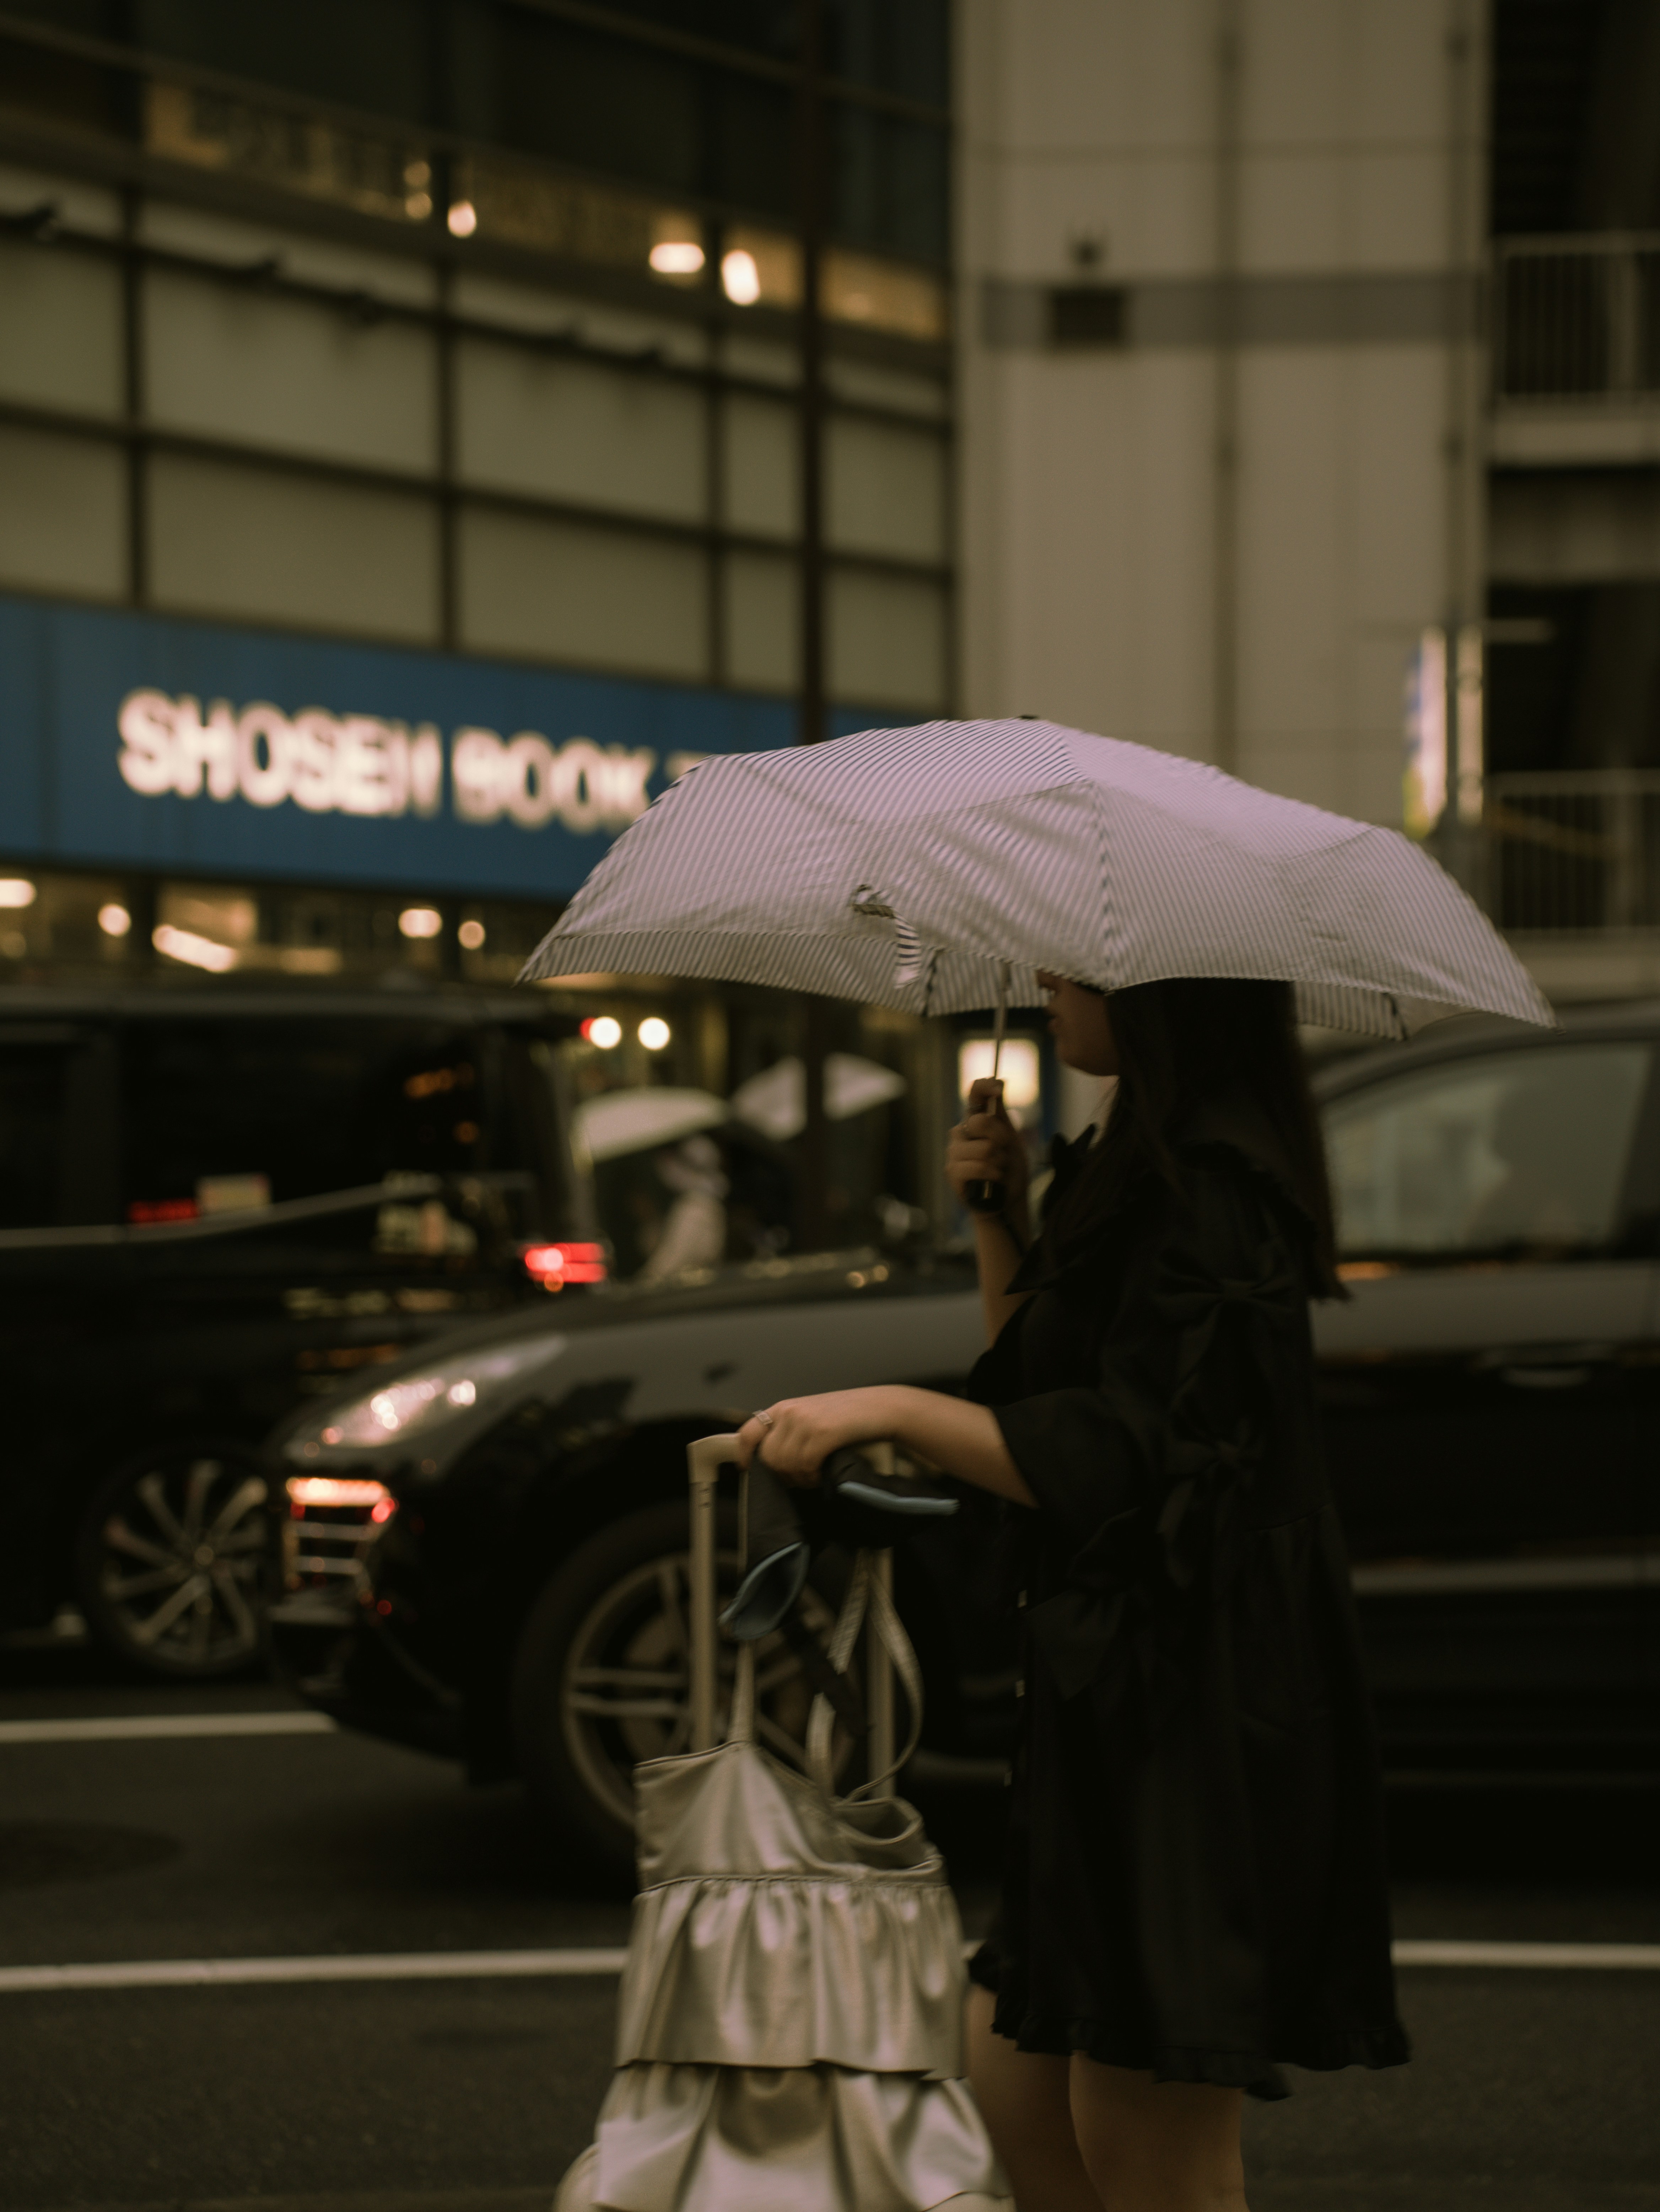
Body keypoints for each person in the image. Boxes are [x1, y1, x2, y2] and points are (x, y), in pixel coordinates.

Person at [734, 971, 1407, 2212]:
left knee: (1144, 2131)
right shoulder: (1130, 1154)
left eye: (1076, 966)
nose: (1046, 983)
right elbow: (1043, 1389)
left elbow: (1121, 1457)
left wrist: (885, 1408)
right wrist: (998, 1215)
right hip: (1120, 1687)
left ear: (1166, 991)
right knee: (1022, 2091)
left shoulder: (1215, 1185)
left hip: (1197, 1705)